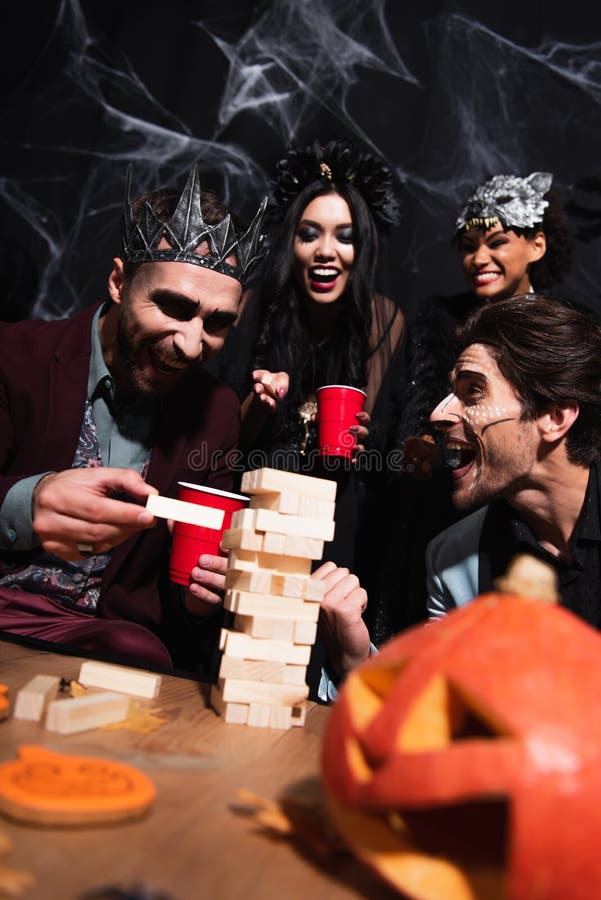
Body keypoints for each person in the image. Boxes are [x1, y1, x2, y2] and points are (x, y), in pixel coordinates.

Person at [0, 165, 371, 691]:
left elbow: (179, 595)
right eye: (174, 307)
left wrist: (198, 596)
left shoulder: (215, 411)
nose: (193, 346)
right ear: (119, 281)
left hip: (102, 642)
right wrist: (26, 504)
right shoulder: (13, 356)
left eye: (217, 323)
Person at [368, 171, 574, 644]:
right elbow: (417, 414)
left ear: (537, 245)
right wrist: (419, 448)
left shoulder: (562, 332)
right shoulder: (438, 320)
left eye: (497, 241)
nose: (479, 258)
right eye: (468, 245)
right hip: (444, 511)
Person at [215, 138, 405, 576]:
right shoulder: (252, 307)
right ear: (291, 244)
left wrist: (361, 439)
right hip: (254, 498)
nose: (325, 251)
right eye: (309, 234)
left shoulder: (383, 319)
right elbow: (224, 446)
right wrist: (260, 404)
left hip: (334, 512)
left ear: (364, 248)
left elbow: (371, 455)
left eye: (345, 237)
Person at [425, 293, 601, 626]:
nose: (438, 414)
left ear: (555, 416)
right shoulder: (451, 561)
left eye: (473, 391)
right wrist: (355, 656)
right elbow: (445, 677)